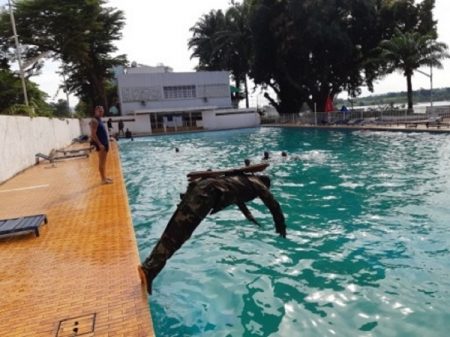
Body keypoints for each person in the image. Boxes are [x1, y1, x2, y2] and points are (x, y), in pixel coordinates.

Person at [138, 173, 287, 295]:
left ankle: (149, 266)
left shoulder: (244, 179)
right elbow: (273, 204)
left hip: (201, 188)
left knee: (173, 231)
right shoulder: (259, 185)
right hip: (206, 195)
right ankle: (149, 269)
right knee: (177, 236)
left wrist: (250, 217)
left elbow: (238, 200)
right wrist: (281, 226)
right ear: (265, 184)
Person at [90, 106, 112, 184]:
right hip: (101, 145)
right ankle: (103, 180)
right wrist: (99, 144)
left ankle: (104, 177)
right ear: (95, 111)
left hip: (104, 143)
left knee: (104, 162)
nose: (101, 112)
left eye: (102, 111)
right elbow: (93, 134)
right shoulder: (94, 121)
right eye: (99, 111)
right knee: (101, 162)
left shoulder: (99, 120)